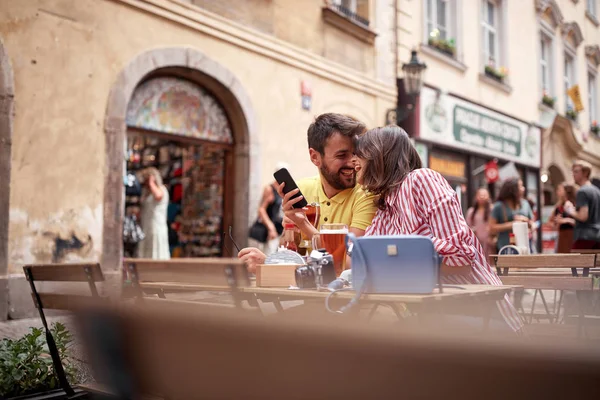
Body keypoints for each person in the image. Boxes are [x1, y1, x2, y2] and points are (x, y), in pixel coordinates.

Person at [352, 125, 523, 334]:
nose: (354, 160)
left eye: (360, 153)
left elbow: (460, 256)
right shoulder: (387, 205)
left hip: (480, 312)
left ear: (380, 154)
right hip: (435, 314)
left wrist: (400, 261)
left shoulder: (420, 180)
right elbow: (364, 258)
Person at [239, 113, 378, 271]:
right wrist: (288, 233)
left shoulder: (368, 194)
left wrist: (303, 224)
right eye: (342, 155)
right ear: (315, 157)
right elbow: (290, 253)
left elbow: (348, 264)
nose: (352, 162)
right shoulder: (301, 189)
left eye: (355, 154)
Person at [249, 162, 288, 256]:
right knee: (268, 255)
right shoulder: (269, 189)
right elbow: (261, 210)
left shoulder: (285, 188)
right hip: (269, 229)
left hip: (280, 228)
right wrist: (270, 227)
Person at [489, 178, 534, 254]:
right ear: (513, 189)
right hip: (505, 248)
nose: (523, 188)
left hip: (525, 247)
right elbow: (491, 228)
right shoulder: (499, 206)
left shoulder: (525, 204)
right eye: (520, 186)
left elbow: (533, 224)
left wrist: (526, 221)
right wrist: (512, 224)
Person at [565, 160, 600, 255]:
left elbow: (583, 216)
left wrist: (570, 209)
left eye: (576, 171)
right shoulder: (597, 191)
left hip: (584, 237)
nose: (573, 174)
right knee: (595, 268)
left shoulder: (582, 191)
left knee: (576, 266)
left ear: (585, 173)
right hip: (597, 235)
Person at [138, 167, 170, 260]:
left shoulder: (161, 189)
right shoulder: (147, 193)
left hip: (156, 225)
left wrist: (151, 182)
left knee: (156, 250)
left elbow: (158, 196)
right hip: (146, 225)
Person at [466, 188, 493, 258]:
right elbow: (467, 227)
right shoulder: (471, 212)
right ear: (476, 196)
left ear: (488, 196)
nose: (482, 197)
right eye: (480, 195)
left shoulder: (492, 210)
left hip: (489, 244)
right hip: (475, 243)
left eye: (484, 195)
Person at [550, 183, 577, 253]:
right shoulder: (558, 207)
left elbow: (578, 222)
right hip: (562, 235)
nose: (557, 192)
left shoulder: (573, 204)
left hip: (572, 235)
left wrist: (566, 220)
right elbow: (553, 224)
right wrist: (557, 222)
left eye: (559, 189)